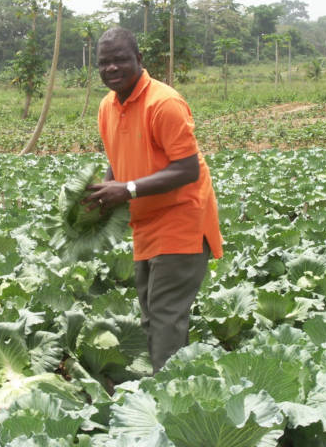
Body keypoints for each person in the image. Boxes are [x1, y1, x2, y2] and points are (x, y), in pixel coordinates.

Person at [84, 27, 223, 373]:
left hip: (182, 220)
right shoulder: (107, 106)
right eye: (104, 63)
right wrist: (106, 191)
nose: (111, 69)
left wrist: (127, 190)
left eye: (119, 60)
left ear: (139, 60)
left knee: (164, 316)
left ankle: (171, 397)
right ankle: (171, 383)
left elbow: (187, 169)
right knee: (151, 312)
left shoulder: (164, 103)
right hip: (145, 222)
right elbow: (117, 159)